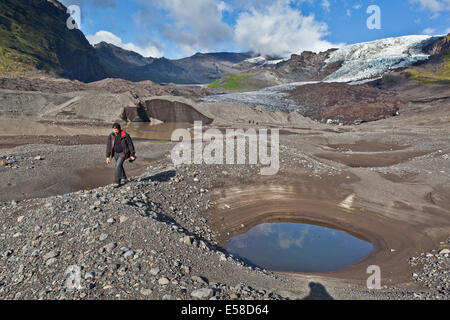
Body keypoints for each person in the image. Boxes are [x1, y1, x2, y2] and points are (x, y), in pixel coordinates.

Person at [105, 123, 136, 188]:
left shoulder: (125, 135)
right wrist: (107, 156)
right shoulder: (111, 136)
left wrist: (132, 154)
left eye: (116, 129)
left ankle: (117, 182)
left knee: (117, 165)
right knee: (119, 165)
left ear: (119, 129)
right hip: (116, 153)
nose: (115, 131)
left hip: (123, 153)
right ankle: (124, 178)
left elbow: (130, 145)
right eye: (114, 129)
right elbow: (109, 146)